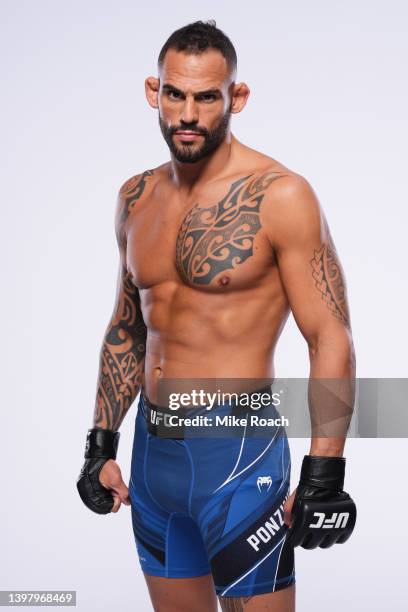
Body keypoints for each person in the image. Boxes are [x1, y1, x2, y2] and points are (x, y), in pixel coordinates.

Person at [77, 20, 357, 612]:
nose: (188, 113)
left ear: (236, 97)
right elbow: (128, 326)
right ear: (155, 92)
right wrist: (100, 443)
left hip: (238, 451)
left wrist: (324, 471)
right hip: (153, 456)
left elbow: (329, 334)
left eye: (207, 97)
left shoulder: (281, 195)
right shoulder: (135, 197)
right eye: (176, 94)